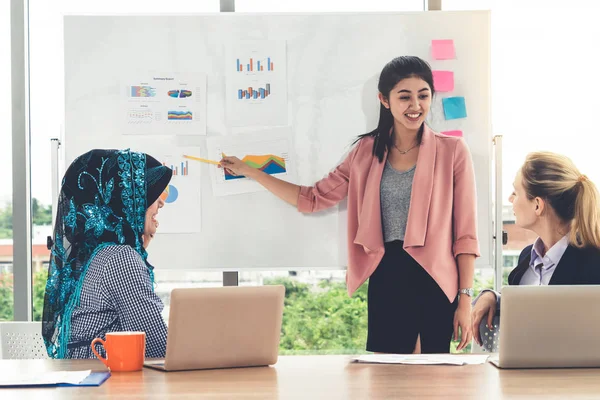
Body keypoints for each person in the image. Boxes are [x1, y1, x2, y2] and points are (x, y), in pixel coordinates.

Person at [220, 56, 480, 353]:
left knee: (435, 385)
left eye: (423, 95)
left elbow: (466, 234)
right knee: (386, 384)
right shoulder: (366, 152)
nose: (415, 106)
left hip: (436, 279)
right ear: (384, 100)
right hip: (387, 277)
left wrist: (464, 298)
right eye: (404, 96)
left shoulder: (453, 151)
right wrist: (252, 171)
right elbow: (313, 198)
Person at [42, 149, 173, 359]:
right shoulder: (119, 258)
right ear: (123, 201)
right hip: (104, 385)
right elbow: (157, 346)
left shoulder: (93, 255)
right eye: (147, 191)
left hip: (90, 383)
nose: (161, 203)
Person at [471, 152, 600, 346]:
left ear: (537, 205)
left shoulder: (593, 261)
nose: (510, 198)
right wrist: (495, 297)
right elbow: (534, 309)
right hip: (523, 374)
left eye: (515, 192)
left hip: (578, 376)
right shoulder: (527, 259)